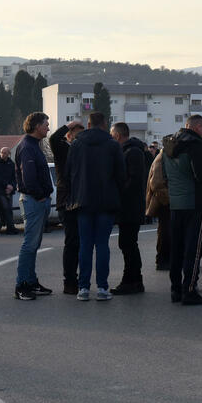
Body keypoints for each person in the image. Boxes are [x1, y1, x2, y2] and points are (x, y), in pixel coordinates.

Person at [65, 113, 126, 301]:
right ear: (104, 124)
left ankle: (83, 288)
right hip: (106, 201)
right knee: (102, 244)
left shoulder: (76, 144)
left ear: (89, 124)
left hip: (83, 201)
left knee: (85, 244)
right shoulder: (113, 145)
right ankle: (102, 287)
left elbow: (68, 173)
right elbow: (121, 175)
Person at [163, 114, 202, 305]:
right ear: (197, 127)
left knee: (177, 248)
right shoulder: (195, 145)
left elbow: (164, 174)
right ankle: (190, 290)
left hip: (176, 202)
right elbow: (201, 174)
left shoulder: (168, 145)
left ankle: (176, 289)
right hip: (195, 202)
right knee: (193, 249)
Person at [13, 112, 54, 300]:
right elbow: (29, 178)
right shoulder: (27, 147)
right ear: (37, 126)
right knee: (29, 244)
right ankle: (22, 285)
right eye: (46, 124)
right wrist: (40, 196)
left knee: (33, 244)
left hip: (36, 200)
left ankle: (30, 281)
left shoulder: (33, 145)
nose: (48, 127)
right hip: (33, 201)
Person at [110, 121, 147, 295]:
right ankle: (134, 280)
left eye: (112, 136)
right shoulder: (128, 151)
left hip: (130, 207)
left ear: (118, 135)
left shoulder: (132, 152)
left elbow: (133, 180)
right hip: (129, 206)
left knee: (128, 244)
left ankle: (131, 281)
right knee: (127, 244)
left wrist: (119, 192)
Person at [50, 120, 85, 293]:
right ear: (69, 136)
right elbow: (53, 138)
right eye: (77, 135)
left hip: (81, 200)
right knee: (72, 243)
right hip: (66, 201)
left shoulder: (83, 150)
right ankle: (69, 281)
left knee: (80, 243)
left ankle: (79, 280)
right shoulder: (62, 148)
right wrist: (69, 125)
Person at [145, 146, 172, 271]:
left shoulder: (165, 156)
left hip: (167, 200)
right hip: (164, 202)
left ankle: (166, 259)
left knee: (167, 231)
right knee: (165, 232)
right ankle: (162, 260)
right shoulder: (162, 157)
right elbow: (156, 183)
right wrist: (169, 199)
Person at [0, 146, 18, 234]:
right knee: (6, 208)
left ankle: (11, 227)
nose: (3, 154)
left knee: (10, 208)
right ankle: (10, 228)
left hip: (10, 190)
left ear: (8, 154)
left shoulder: (11, 163)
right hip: (0, 190)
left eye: (5, 153)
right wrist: (7, 185)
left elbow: (14, 177)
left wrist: (12, 186)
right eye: (1, 152)